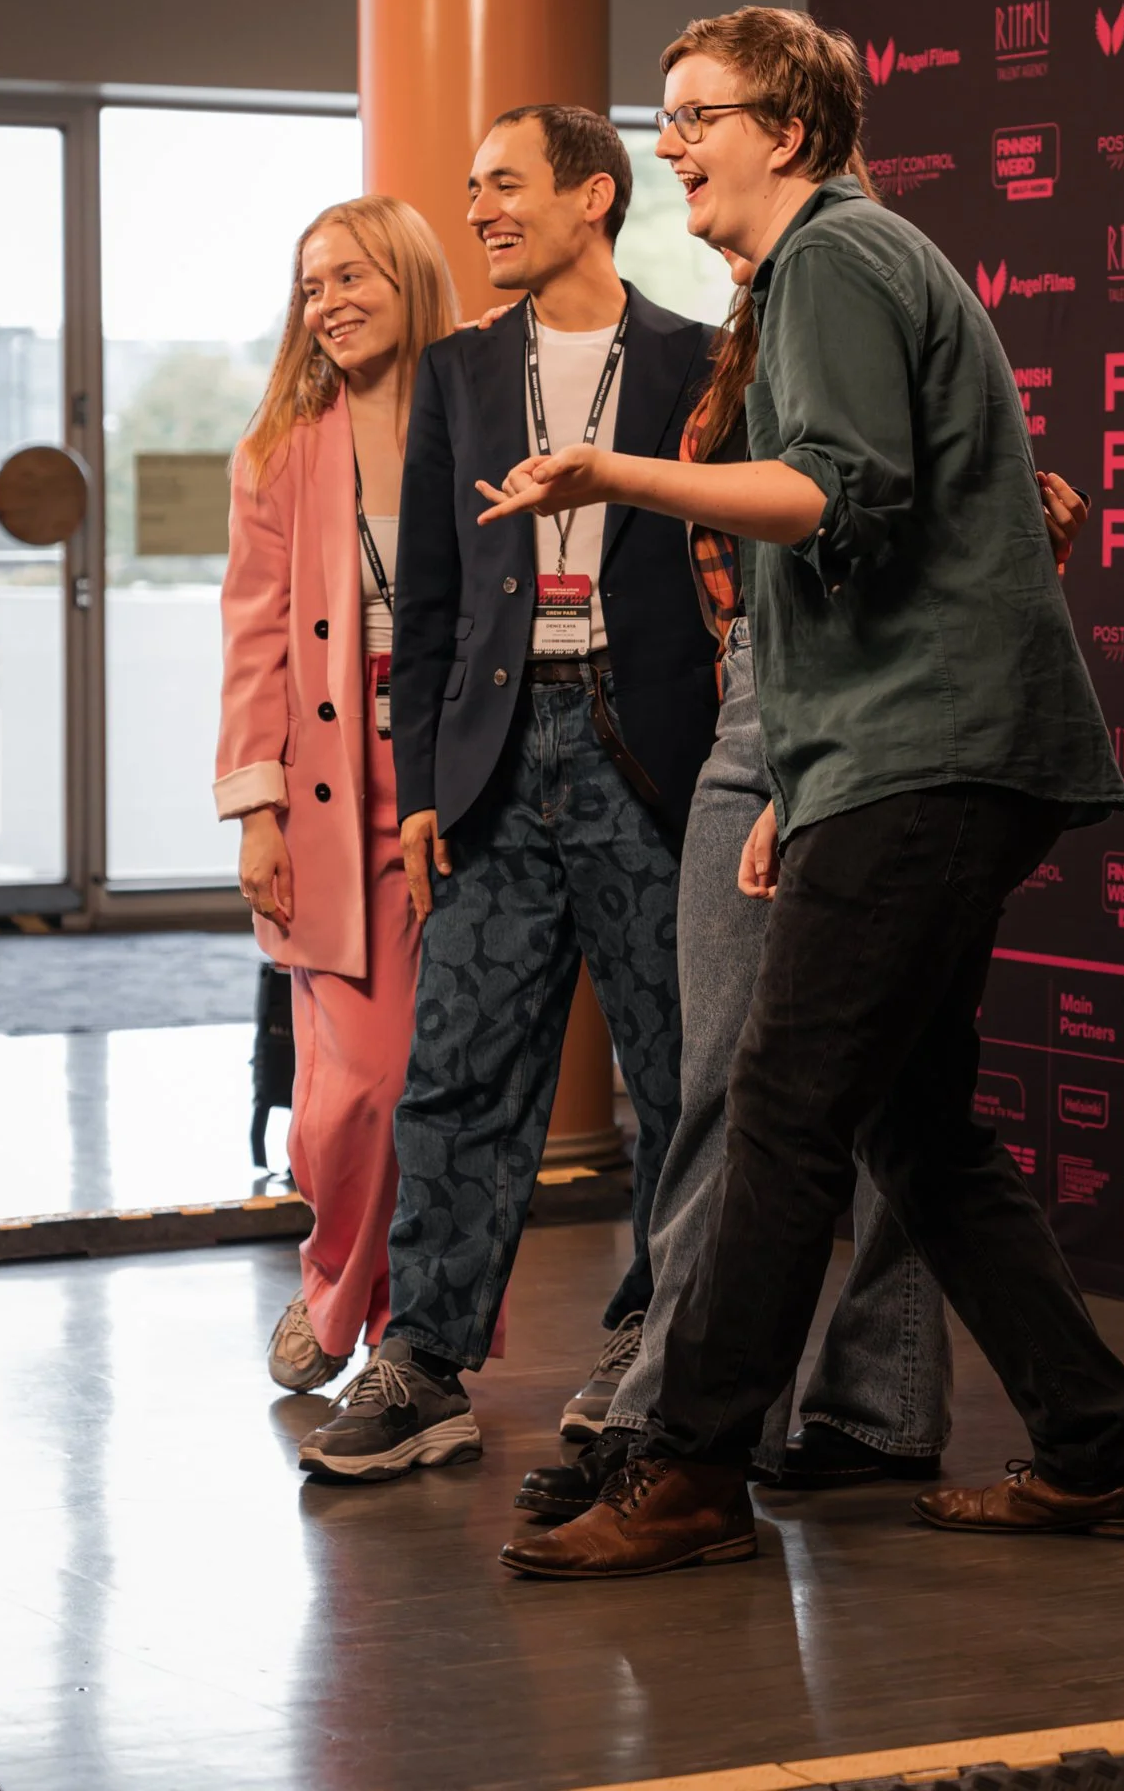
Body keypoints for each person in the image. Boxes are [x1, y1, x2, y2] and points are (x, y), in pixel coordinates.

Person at [481, 8, 1124, 1579]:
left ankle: (694, 1473)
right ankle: (1098, 1449)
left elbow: (832, 497)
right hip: (898, 757)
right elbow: (846, 581)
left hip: (933, 756)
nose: (667, 146)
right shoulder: (824, 269)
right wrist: (802, 778)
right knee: (911, 1129)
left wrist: (611, 476)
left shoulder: (837, 263)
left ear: (787, 131)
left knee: (787, 1111)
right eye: (662, 118)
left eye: (695, 116)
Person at [296, 106, 721, 1481]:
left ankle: (646, 1347)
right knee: (458, 1073)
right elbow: (427, 601)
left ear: (592, 197)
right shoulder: (465, 370)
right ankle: (420, 1366)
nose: (476, 210)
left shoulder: (699, 363)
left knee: (674, 1078)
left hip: (648, 755)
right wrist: (421, 783)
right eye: (468, 187)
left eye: (503, 185)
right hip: (489, 764)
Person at [215, 195, 468, 1394]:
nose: (330, 304)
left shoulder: (477, 419)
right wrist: (256, 808)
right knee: (348, 1094)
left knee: (447, 1084)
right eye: (313, 286)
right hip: (327, 800)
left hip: (458, 792)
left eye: (354, 277)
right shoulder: (277, 450)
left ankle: (409, 1337)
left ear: (409, 279)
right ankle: (336, 1282)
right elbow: (254, 642)